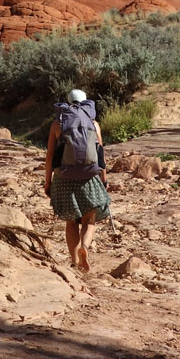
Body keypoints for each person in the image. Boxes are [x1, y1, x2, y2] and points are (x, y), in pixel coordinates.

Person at [44, 88, 110, 272]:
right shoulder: (93, 124)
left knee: (71, 221)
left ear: (68, 102)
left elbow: (50, 156)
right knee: (89, 219)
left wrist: (48, 182)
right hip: (89, 176)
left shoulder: (58, 123)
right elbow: (100, 155)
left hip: (64, 177)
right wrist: (104, 180)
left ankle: (74, 262)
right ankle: (85, 248)